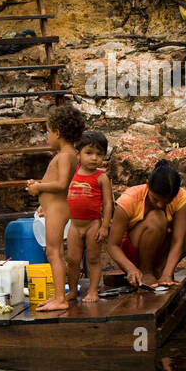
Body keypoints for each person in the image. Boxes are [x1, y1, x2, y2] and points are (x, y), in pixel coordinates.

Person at [106, 160, 186, 287]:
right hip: (132, 255)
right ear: (148, 185)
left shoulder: (181, 197)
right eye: (156, 199)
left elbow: (178, 241)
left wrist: (168, 273)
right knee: (157, 216)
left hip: (161, 249)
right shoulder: (129, 199)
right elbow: (112, 245)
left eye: (167, 201)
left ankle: (161, 270)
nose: (160, 204)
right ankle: (146, 272)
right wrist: (130, 268)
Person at [24, 104, 85, 311]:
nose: (48, 136)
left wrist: (39, 187)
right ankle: (62, 294)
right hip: (52, 208)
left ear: (58, 133)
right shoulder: (67, 154)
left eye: (48, 132)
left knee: (54, 252)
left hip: (58, 208)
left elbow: (62, 184)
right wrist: (40, 191)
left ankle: (60, 298)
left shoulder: (66, 155)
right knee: (55, 252)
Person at [65, 130, 113, 303]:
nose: (94, 158)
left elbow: (108, 204)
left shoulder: (101, 178)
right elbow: (60, 194)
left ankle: (93, 291)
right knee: (72, 259)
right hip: (74, 225)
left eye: (99, 154)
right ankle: (72, 291)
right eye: (89, 153)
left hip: (93, 224)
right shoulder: (71, 174)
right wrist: (44, 208)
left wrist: (105, 226)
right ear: (78, 154)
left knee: (93, 259)